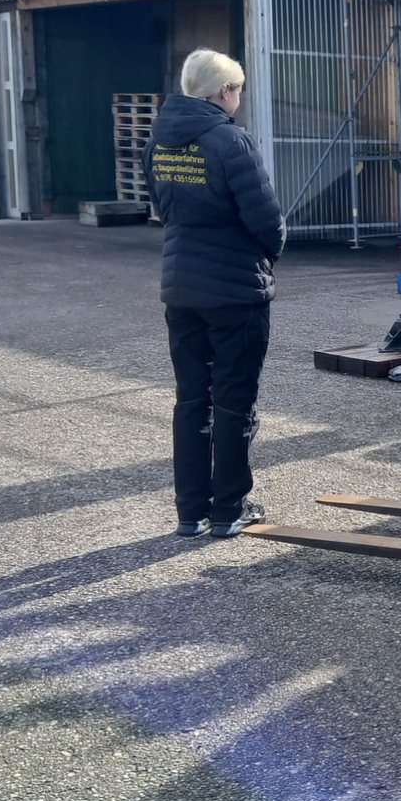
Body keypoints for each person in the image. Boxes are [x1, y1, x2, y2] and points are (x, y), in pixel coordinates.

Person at [147, 48, 286, 539]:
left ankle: (191, 511)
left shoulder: (160, 141)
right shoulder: (231, 141)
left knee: (191, 399)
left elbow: (163, 209)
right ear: (225, 91)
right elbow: (266, 220)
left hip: (180, 288)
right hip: (234, 291)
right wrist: (268, 257)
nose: (239, 98)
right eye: (238, 89)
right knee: (233, 398)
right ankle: (229, 508)